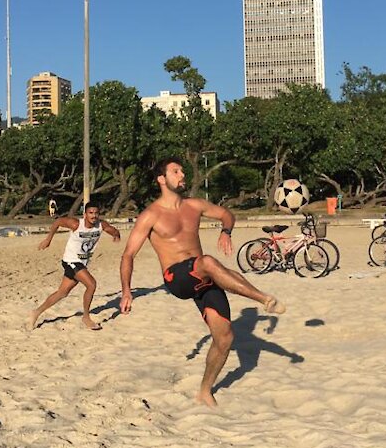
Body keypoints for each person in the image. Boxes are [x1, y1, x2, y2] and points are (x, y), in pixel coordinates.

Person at [119, 157, 285, 407]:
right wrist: (126, 292)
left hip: (204, 279)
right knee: (207, 261)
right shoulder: (151, 215)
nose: (182, 174)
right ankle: (264, 299)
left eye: (182, 170)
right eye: (176, 171)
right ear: (161, 179)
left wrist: (226, 231)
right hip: (176, 278)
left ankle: (205, 390)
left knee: (225, 338)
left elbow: (226, 214)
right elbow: (128, 254)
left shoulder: (194, 205)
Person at [30, 202, 120, 331]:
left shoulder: (101, 225)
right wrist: (48, 239)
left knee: (62, 293)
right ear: (85, 214)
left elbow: (113, 230)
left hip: (82, 263)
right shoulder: (76, 224)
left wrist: (116, 235)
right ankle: (86, 317)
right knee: (91, 284)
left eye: (96, 213)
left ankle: (36, 312)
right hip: (71, 261)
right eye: (90, 213)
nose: (93, 216)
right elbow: (58, 222)